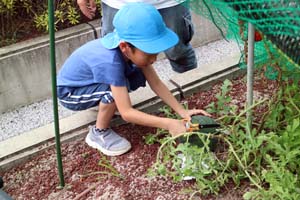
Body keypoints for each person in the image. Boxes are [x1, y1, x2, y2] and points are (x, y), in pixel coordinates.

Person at [57, 2, 209, 156]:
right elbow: (127, 113)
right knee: (111, 92)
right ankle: (98, 133)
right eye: (149, 54)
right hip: (71, 93)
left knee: (134, 76)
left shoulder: (129, 46)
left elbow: (156, 83)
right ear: (125, 47)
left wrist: (182, 111)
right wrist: (169, 124)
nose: (154, 59)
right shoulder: (111, 62)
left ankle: (106, 105)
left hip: (91, 82)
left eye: (156, 53)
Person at [77, 0, 197, 73]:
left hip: (167, 3)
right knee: (115, 58)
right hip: (117, 3)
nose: (154, 60)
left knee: (178, 51)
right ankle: (117, 100)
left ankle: (192, 90)